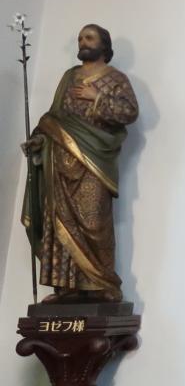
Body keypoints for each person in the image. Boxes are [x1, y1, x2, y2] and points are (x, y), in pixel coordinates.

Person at [22, 24, 138, 303]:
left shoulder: (116, 79)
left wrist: (98, 98)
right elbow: (54, 118)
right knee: (60, 221)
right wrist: (38, 139)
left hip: (94, 161)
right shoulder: (69, 77)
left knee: (95, 221)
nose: (83, 42)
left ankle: (103, 284)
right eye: (80, 38)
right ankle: (67, 287)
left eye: (89, 38)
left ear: (104, 45)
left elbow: (130, 112)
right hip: (60, 161)